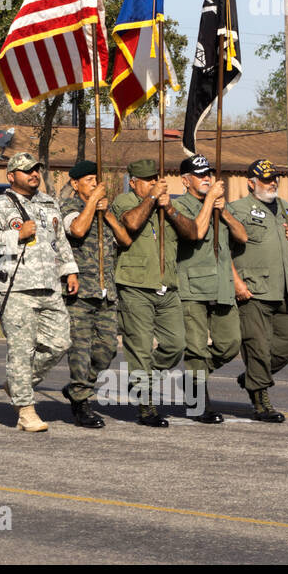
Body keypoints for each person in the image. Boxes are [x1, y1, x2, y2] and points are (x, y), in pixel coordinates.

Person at [0, 153, 77, 432]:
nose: (34, 174)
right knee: (21, 352)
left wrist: (70, 270)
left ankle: (18, 384)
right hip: (15, 288)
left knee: (60, 343)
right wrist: (16, 236)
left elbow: (61, 241)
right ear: (11, 176)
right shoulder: (0, 206)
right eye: (26, 171)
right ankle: (26, 411)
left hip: (49, 285)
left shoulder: (48, 202)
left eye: (36, 169)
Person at [170, 154, 248, 422]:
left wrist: (222, 210)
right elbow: (197, 232)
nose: (207, 178)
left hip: (221, 285)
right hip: (192, 286)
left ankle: (194, 379)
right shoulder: (181, 206)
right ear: (185, 180)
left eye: (209, 174)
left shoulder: (219, 205)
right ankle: (198, 403)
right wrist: (209, 205)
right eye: (200, 174)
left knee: (230, 343)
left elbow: (242, 236)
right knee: (196, 348)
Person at [109, 158, 184, 428]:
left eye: (156, 179)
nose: (154, 183)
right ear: (133, 183)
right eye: (148, 180)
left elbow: (191, 233)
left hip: (167, 284)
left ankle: (142, 379)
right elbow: (130, 224)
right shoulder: (125, 202)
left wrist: (170, 207)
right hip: (135, 284)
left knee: (176, 345)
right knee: (139, 348)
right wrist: (152, 197)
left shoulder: (165, 205)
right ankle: (146, 405)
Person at [227, 158, 288, 423]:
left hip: (283, 289)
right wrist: (235, 282)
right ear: (251, 183)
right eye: (266, 179)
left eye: (275, 178)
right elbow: (223, 250)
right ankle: (261, 403)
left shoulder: (285, 208)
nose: (272, 183)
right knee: (257, 348)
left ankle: (253, 377)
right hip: (253, 290)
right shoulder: (237, 209)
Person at [58, 160, 123, 429]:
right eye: (88, 181)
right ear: (75, 185)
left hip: (106, 291)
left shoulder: (103, 210)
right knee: (80, 353)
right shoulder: (70, 209)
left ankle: (78, 388)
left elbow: (124, 240)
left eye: (97, 180)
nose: (95, 184)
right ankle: (81, 402)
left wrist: (106, 213)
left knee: (107, 349)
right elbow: (78, 230)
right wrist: (91, 203)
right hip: (80, 293)